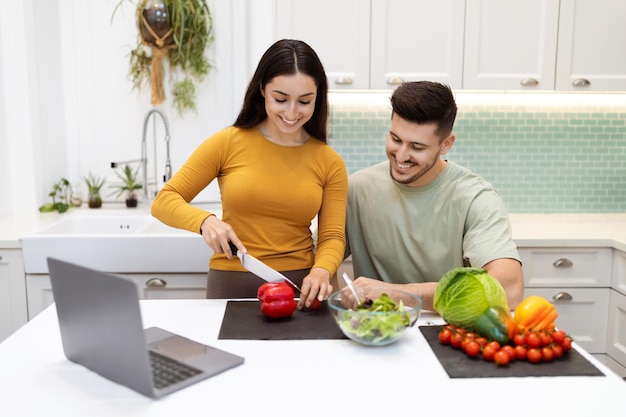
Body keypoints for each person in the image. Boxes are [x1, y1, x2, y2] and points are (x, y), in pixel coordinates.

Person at [152, 39, 348, 309]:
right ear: (262, 90)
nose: (291, 113)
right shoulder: (227, 143)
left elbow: (332, 237)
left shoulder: (329, 162)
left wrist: (322, 270)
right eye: (280, 99)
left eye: (304, 101)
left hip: (299, 289)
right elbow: (164, 201)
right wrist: (205, 221)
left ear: (318, 97)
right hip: (230, 284)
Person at [344, 81, 524, 311]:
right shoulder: (358, 189)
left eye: (417, 147)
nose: (401, 155)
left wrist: (397, 293)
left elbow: (509, 290)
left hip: (447, 330)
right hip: (374, 330)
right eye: (395, 139)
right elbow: (315, 258)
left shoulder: (476, 198)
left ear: (446, 144)